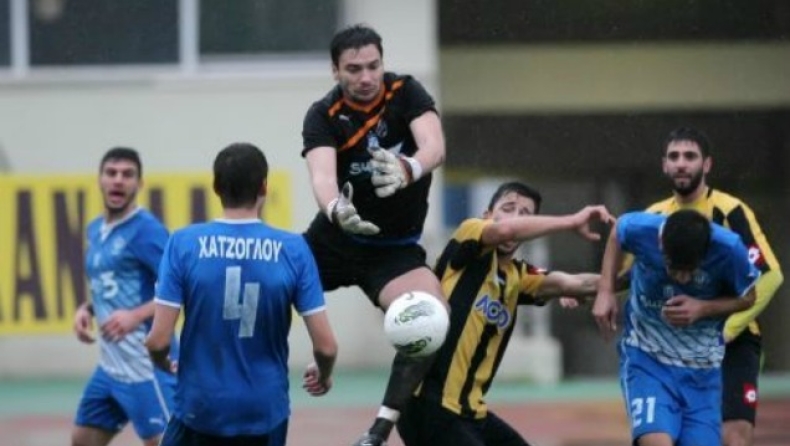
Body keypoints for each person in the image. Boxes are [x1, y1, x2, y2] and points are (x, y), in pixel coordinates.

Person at [301, 24, 446, 446]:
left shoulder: (406, 92)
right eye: (353, 69)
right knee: (268, 285)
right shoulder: (322, 115)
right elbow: (322, 177)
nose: (366, 77)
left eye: (373, 66)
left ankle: (380, 429)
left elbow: (434, 147)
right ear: (335, 71)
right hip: (334, 242)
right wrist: (336, 210)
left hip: (393, 252)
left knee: (433, 317)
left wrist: (408, 168)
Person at [145, 143, 338, 446]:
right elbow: (326, 347)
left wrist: (163, 363)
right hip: (265, 410)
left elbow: (158, 341)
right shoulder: (294, 250)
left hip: (199, 406)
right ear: (264, 187)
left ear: (216, 187)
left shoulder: (183, 244)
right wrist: (324, 373)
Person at [395, 181, 614, 446]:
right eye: (508, 208)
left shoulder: (518, 276)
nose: (515, 219)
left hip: (470, 413)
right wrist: (571, 221)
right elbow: (506, 230)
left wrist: (642, 275)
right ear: (488, 215)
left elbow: (578, 283)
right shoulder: (469, 235)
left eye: (525, 214)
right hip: (429, 406)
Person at [646, 126, 784, 446]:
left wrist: (728, 330)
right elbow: (631, 276)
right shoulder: (652, 217)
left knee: (733, 437)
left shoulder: (731, 211)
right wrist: (592, 292)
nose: (682, 163)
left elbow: (770, 276)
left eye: (690, 156)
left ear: (706, 164)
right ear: (664, 165)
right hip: (676, 345)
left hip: (732, 345)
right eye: (674, 157)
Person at [592, 209, 759, 446]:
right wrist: (605, 290)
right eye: (672, 267)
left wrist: (703, 308)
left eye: (690, 270)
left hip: (702, 372)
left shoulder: (729, 248)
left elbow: (750, 297)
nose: (681, 278)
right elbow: (618, 230)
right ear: (660, 243)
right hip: (648, 359)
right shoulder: (642, 229)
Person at [71, 147, 175, 446]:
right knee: (82, 440)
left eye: (127, 175)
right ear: (100, 180)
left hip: (146, 367)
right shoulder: (95, 229)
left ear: (139, 184)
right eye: (111, 173)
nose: (118, 180)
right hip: (110, 367)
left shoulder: (148, 232)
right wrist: (89, 309)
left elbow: (181, 289)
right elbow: (110, 284)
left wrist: (136, 316)